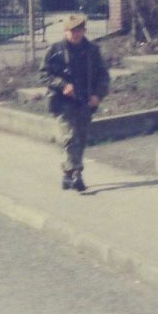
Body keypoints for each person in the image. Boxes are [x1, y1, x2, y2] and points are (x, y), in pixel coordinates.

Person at [40, 12, 109, 192]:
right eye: (71, 31)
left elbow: (103, 76)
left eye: (78, 30)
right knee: (70, 136)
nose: (75, 34)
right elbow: (44, 74)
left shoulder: (92, 50)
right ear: (65, 32)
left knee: (82, 137)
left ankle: (67, 173)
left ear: (84, 30)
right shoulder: (55, 50)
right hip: (62, 101)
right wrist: (62, 85)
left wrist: (98, 95)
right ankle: (77, 173)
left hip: (85, 100)